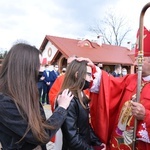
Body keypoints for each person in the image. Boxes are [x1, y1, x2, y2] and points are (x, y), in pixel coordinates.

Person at [83, 27, 150, 149]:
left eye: (140, 60)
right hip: (120, 141)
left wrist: (145, 115)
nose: (135, 64)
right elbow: (109, 86)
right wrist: (93, 69)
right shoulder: (130, 79)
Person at [0, 43, 73, 150]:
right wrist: (61, 108)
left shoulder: (26, 93)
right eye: (39, 65)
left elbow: (40, 123)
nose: (42, 70)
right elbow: (40, 135)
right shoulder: (4, 102)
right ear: (24, 67)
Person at [58, 59, 106, 150]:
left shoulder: (80, 94)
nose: (91, 79)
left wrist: (97, 142)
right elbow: (72, 137)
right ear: (77, 75)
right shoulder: (68, 98)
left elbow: (85, 126)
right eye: (88, 74)